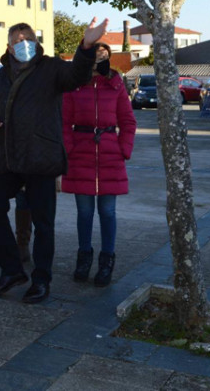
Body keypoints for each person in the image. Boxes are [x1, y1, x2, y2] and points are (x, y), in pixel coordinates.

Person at [0, 18, 107, 304]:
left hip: (41, 156)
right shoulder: (0, 76)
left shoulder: (50, 68)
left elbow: (77, 75)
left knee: (43, 222)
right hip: (7, 157)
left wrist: (86, 46)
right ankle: (12, 270)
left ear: (36, 43)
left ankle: (41, 279)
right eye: (17, 41)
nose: (23, 44)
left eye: (28, 39)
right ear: (9, 47)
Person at [61, 42, 137, 287]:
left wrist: (123, 149)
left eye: (104, 55)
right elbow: (63, 122)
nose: (99, 59)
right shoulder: (74, 86)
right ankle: (84, 257)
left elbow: (128, 121)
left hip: (109, 154)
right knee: (84, 212)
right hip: (80, 154)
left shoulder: (115, 85)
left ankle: (107, 260)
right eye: (95, 55)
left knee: (108, 211)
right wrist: (70, 148)